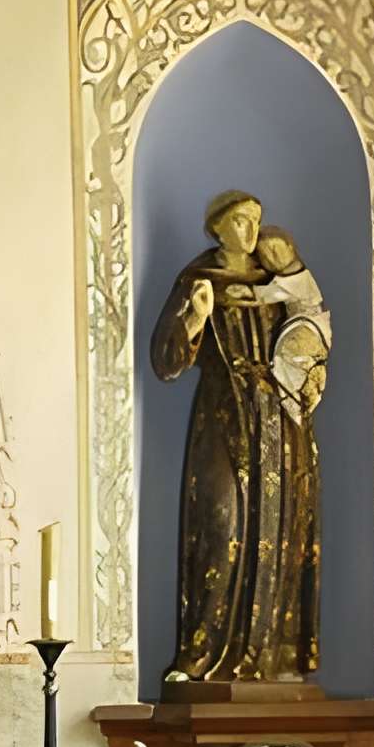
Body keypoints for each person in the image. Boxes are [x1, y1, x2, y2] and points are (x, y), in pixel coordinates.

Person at [151, 190, 319, 688]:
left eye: (256, 221)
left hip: (281, 419)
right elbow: (166, 361)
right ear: (217, 227)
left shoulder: (281, 283)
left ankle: (271, 656)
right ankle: (202, 653)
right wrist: (197, 316)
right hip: (224, 413)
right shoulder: (198, 281)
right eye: (241, 221)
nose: (251, 232)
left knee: (282, 527)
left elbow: (310, 332)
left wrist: (309, 370)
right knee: (221, 522)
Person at [253, 227, 330, 416]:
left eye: (276, 250)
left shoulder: (298, 278)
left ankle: (293, 405)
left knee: (289, 361)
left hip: (308, 325)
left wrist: (238, 292)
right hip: (303, 324)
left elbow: (263, 296)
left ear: (290, 246)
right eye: (265, 256)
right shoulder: (288, 275)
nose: (272, 258)